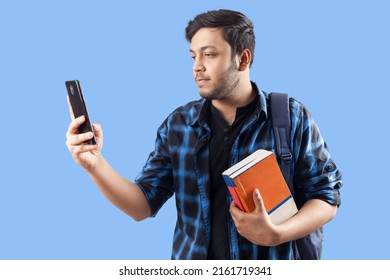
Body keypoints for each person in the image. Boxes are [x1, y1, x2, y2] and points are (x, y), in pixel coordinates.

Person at [65, 9, 342, 260]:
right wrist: (94, 163)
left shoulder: (290, 118)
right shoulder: (179, 125)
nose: (197, 66)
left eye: (209, 55)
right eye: (193, 56)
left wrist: (278, 234)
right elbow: (142, 205)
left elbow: (327, 198)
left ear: (243, 59)